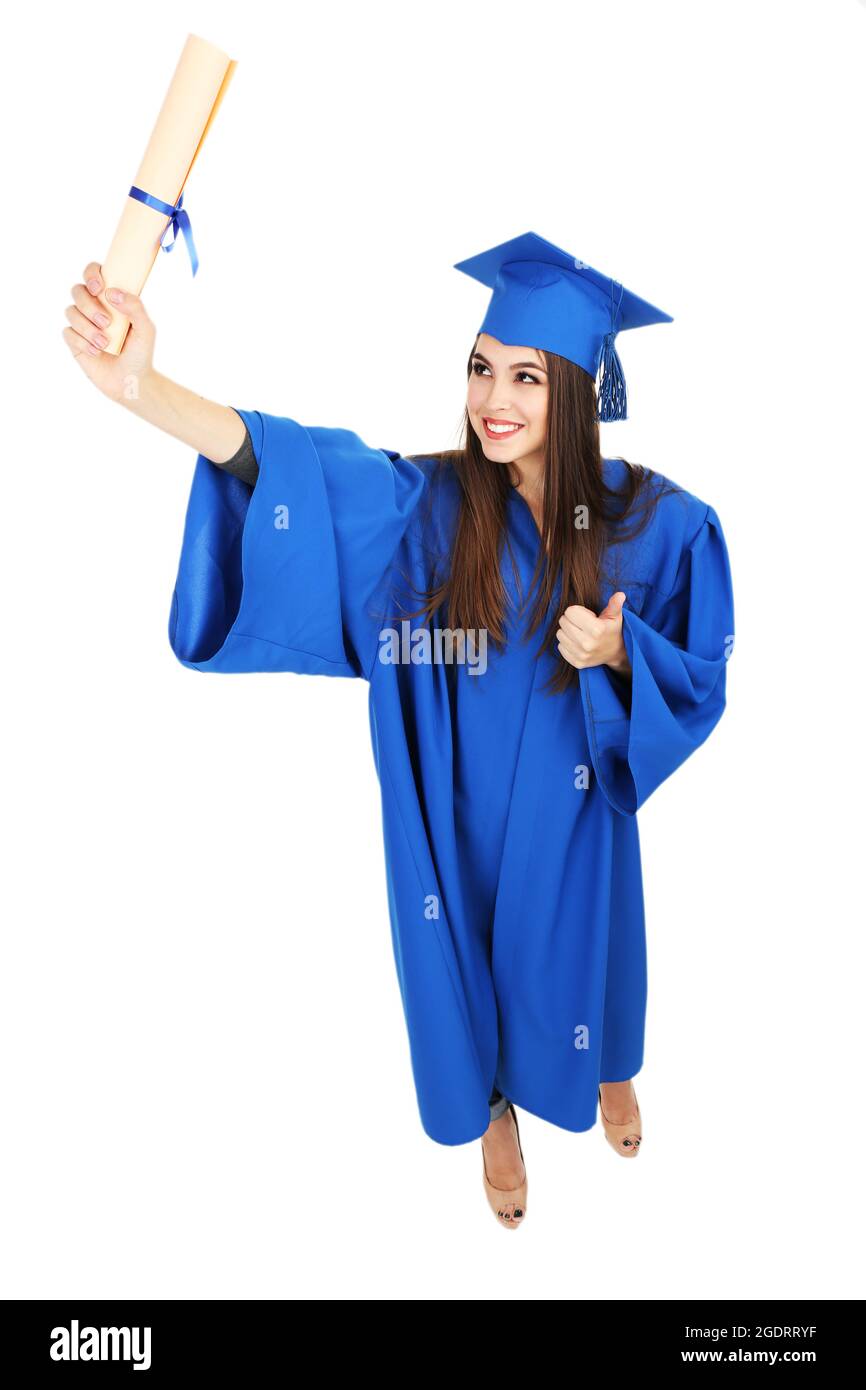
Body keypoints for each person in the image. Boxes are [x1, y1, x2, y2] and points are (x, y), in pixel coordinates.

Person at [61, 230, 735, 1231]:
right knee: (459, 960)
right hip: (452, 807)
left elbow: (703, 662)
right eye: (478, 369)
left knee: (591, 942)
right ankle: (495, 1112)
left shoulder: (651, 519)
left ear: (578, 392)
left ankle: (606, 1070)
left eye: (523, 377)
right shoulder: (435, 505)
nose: (491, 400)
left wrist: (618, 653)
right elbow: (294, 469)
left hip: (573, 806)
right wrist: (142, 389)